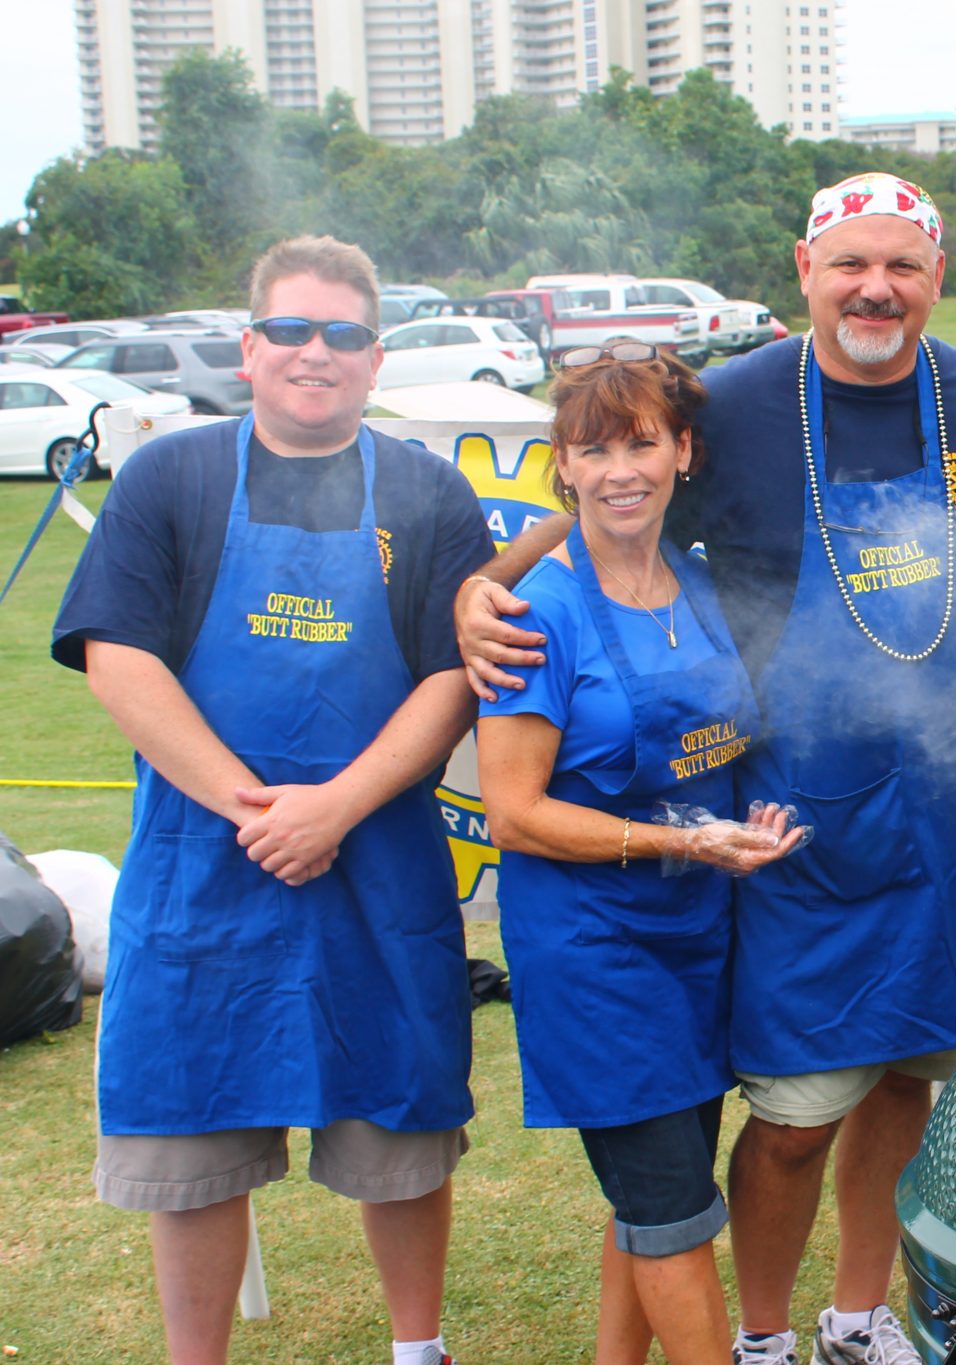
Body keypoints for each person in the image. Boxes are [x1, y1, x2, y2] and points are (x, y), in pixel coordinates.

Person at [455, 172, 956, 1365]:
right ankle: (766, 1337)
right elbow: (601, 478)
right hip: (792, 823)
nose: (873, 288)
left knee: (907, 1085)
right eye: (849, 265)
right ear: (804, 269)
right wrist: (493, 583)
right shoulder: (728, 404)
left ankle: (854, 1317)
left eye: (900, 265)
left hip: (944, 814)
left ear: (935, 276)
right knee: (792, 1119)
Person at [52, 235, 488, 1365]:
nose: (314, 353)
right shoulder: (174, 478)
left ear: (374, 357)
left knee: (397, 1124)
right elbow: (118, 657)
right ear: (247, 349)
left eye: (342, 334)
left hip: (377, 871)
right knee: (190, 1134)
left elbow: (455, 678)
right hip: (208, 871)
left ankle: (417, 1350)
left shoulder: (427, 493)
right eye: (290, 330)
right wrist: (260, 810)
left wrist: (334, 807)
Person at [475, 347, 805, 1363]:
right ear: (561, 466)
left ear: (682, 451)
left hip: (697, 937)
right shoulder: (537, 616)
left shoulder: (698, 586)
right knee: (668, 1210)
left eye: (641, 443)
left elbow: (721, 745)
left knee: (654, 1201)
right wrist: (678, 839)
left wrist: (745, 823)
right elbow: (513, 814)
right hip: (595, 954)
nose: (621, 469)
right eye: (594, 449)